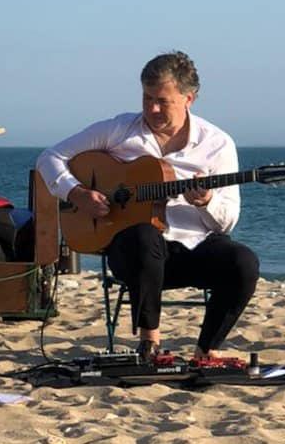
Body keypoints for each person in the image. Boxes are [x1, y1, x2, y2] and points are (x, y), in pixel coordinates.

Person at [37, 51, 259, 360]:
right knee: (144, 235)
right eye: (147, 98)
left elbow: (226, 222)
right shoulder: (119, 130)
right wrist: (76, 194)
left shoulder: (217, 144)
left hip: (193, 250)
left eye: (162, 101)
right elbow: (50, 157)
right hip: (133, 254)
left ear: (189, 99)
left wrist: (206, 201)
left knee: (244, 261)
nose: (152, 109)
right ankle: (150, 343)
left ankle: (206, 351)